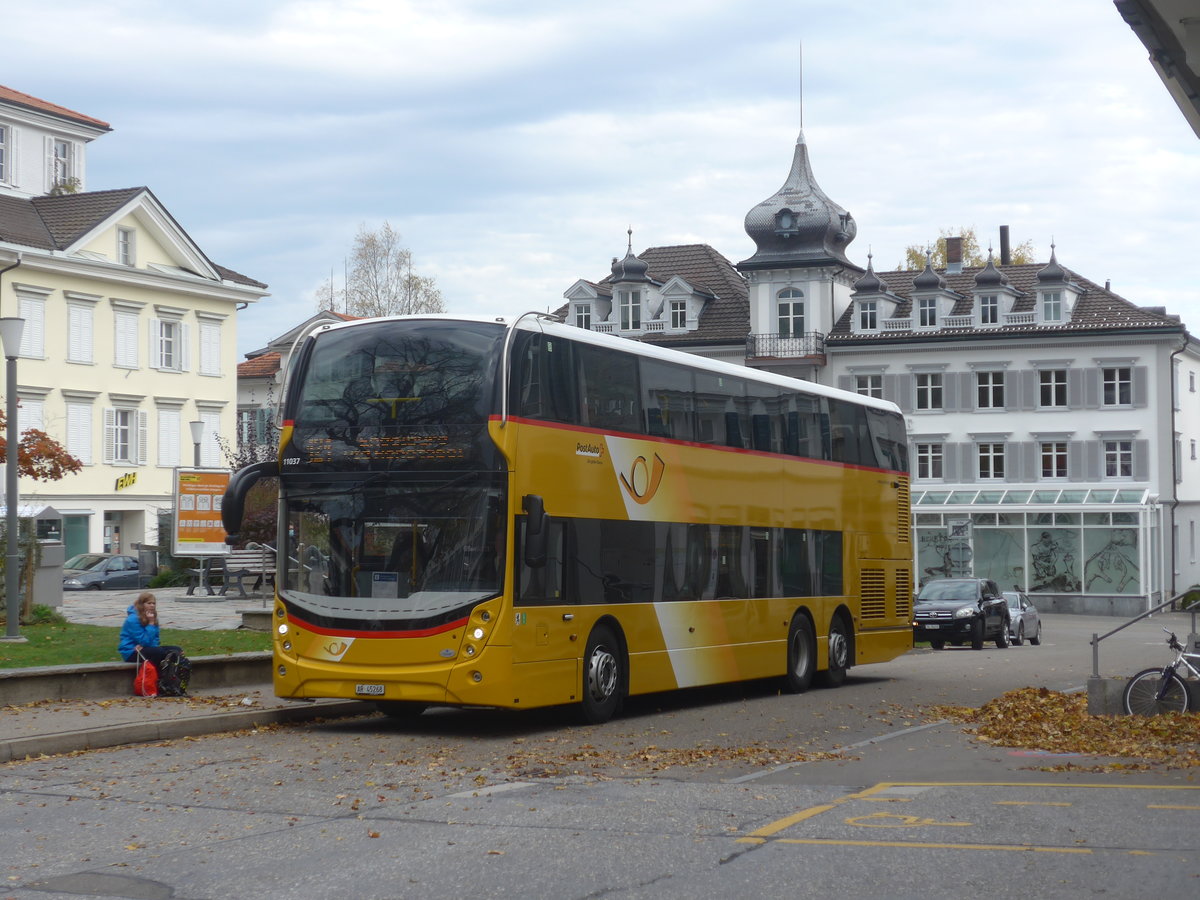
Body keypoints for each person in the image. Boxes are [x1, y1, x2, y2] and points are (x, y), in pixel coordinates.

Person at [118, 592, 183, 667]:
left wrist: (148, 647)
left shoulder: (151, 617)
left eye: (154, 603)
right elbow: (144, 641)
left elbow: (156, 639)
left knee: (177, 650)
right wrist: (151, 624)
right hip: (131, 652)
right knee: (159, 652)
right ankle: (155, 676)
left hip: (146, 648)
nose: (152, 605)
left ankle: (170, 675)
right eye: (149, 603)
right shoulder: (132, 619)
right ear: (142, 604)